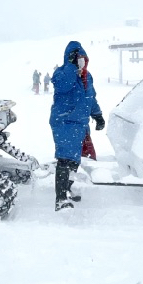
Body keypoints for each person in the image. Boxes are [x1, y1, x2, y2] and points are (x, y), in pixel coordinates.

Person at [49, 41, 104, 210]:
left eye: (83, 59)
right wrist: (72, 67)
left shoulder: (88, 77)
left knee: (74, 160)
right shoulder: (62, 73)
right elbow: (63, 85)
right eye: (77, 59)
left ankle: (67, 188)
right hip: (64, 122)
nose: (81, 63)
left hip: (80, 124)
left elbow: (91, 98)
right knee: (65, 159)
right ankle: (60, 199)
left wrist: (97, 114)